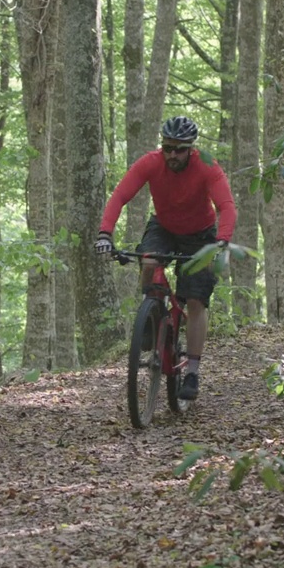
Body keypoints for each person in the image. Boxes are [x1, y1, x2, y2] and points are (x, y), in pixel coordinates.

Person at [94, 116, 237, 401]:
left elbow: (226, 206)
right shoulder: (150, 162)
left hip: (201, 235)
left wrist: (222, 240)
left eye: (179, 149)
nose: (172, 154)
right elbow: (119, 196)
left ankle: (193, 372)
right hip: (165, 227)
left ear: (191, 149)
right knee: (148, 262)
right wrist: (104, 234)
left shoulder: (207, 166)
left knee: (195, 300)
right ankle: (151, 316)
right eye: (167, 147)